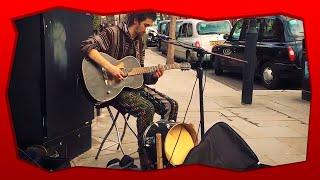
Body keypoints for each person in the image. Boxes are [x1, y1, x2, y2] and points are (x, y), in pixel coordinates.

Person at [80, 12, 178, 169]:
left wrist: (154, 76)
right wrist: (111, 68)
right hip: (111, 90)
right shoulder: (113, 32)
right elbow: (86, 46)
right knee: (146, 108)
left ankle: (164, 153)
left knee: (170, 105)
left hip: (131, 87)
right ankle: (147, 161)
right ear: (136, 21)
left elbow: (139, 77)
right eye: (145, 25)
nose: (146, 30)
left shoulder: (140, 42)